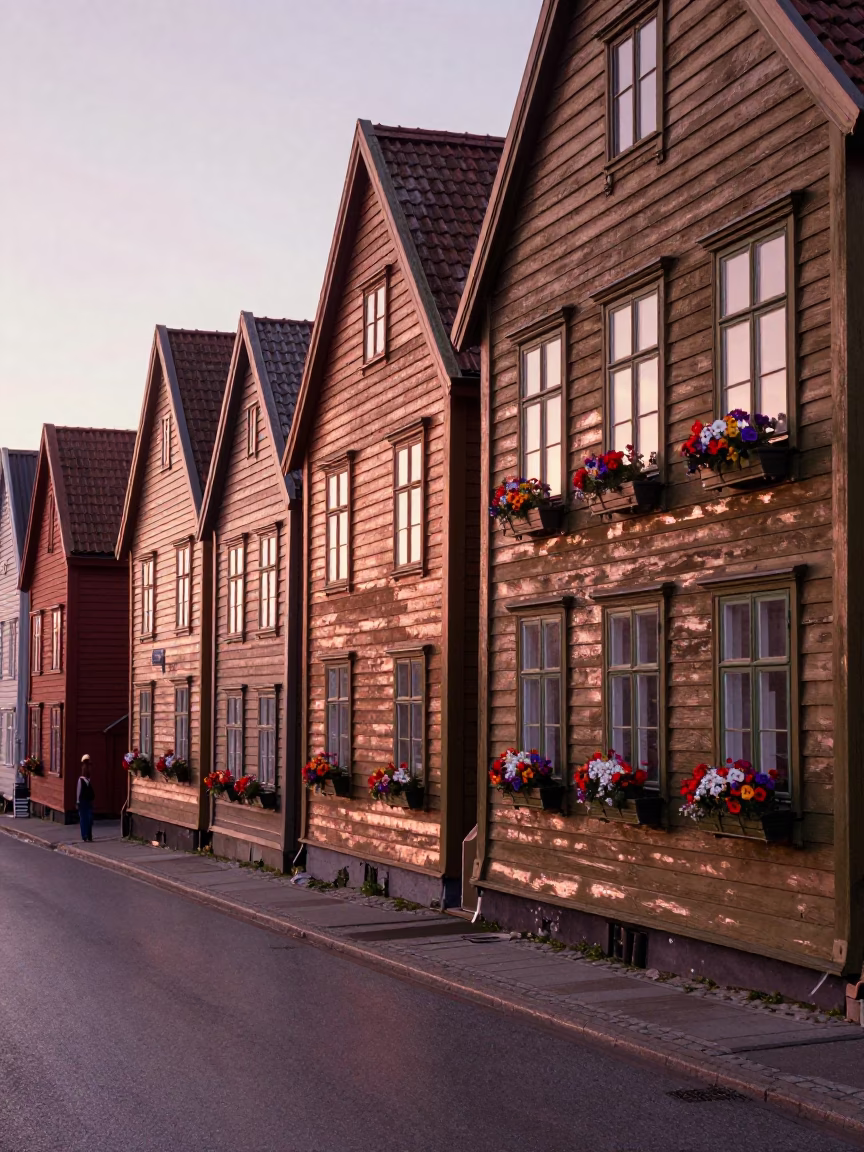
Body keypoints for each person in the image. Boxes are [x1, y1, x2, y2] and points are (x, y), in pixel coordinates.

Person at [77, 755, 94, 843]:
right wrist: (78, 801)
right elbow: (79, 791)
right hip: (84, 801)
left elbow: (79, 791)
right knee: (86, 818)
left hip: (86, 801)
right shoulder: (82, 780)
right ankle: (86, 835)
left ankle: (87, 835)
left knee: (87, 818)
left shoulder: (86, 780)